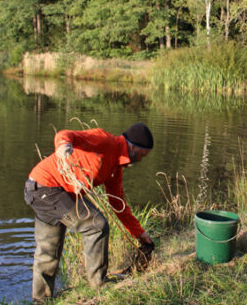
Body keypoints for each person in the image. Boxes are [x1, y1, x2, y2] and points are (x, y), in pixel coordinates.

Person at [24, 123, 155, 302]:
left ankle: (41, 301)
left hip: (45, 190)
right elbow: (65, 134)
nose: (141, 160)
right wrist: (63, 147)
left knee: (49, 251)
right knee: (97, 226)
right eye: (142, 155)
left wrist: (139, 234)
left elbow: (118, 204)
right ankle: (99, 284)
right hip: (46, 187)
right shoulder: (105, 140)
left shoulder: (115, 169)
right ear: (133, 147)